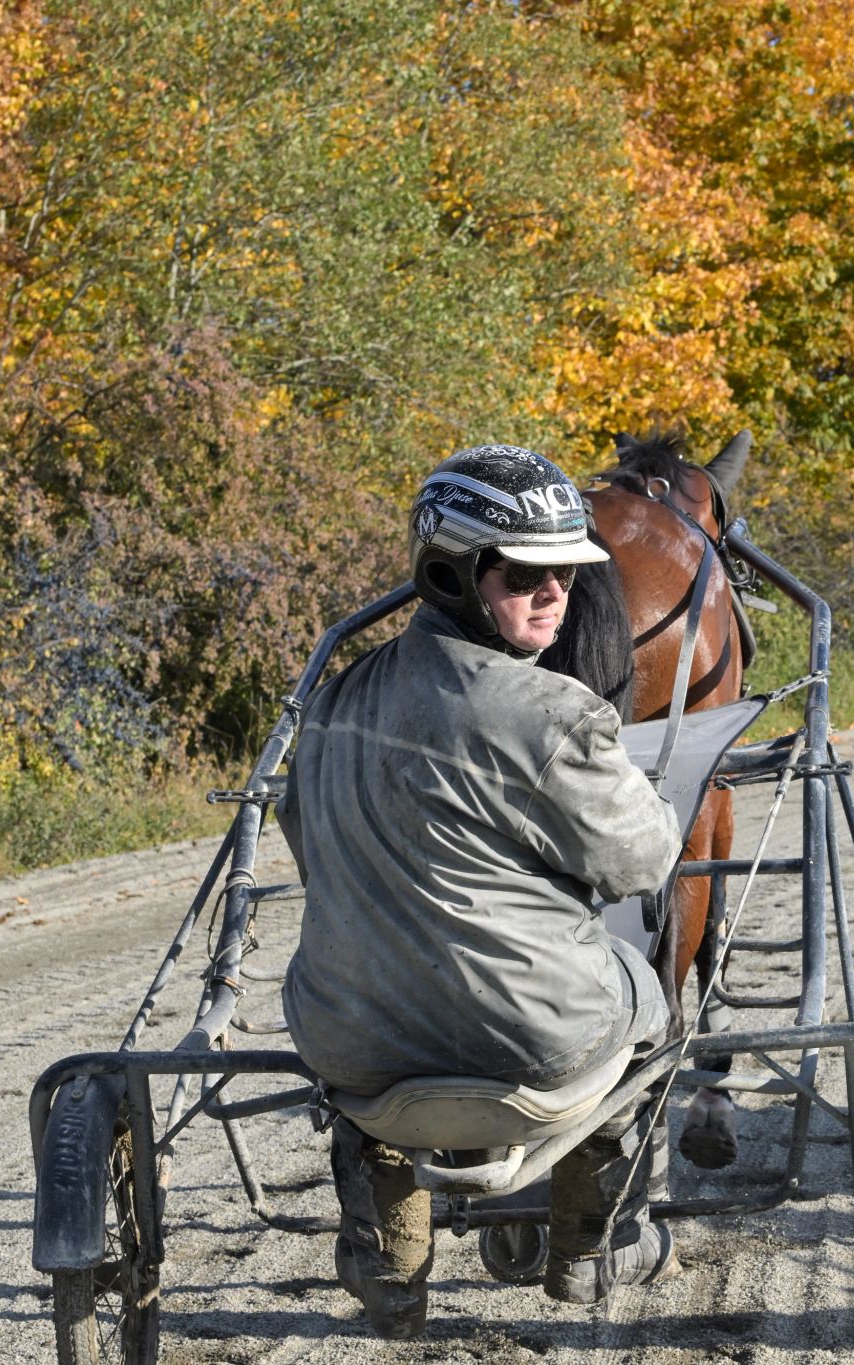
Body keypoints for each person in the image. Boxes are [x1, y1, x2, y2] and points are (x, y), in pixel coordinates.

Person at [277, 444, 683, 1338]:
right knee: (654, 1000)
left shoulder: (335, 703)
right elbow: (644, 860)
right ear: (453, 574)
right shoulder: (554, 714)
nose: (554, 595)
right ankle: (588, 1244)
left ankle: (388, 1259)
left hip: (351, 1043)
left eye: (567, 577)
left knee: (366, 1023)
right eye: (527, 574)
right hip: (536, 1042)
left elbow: (311, 848)